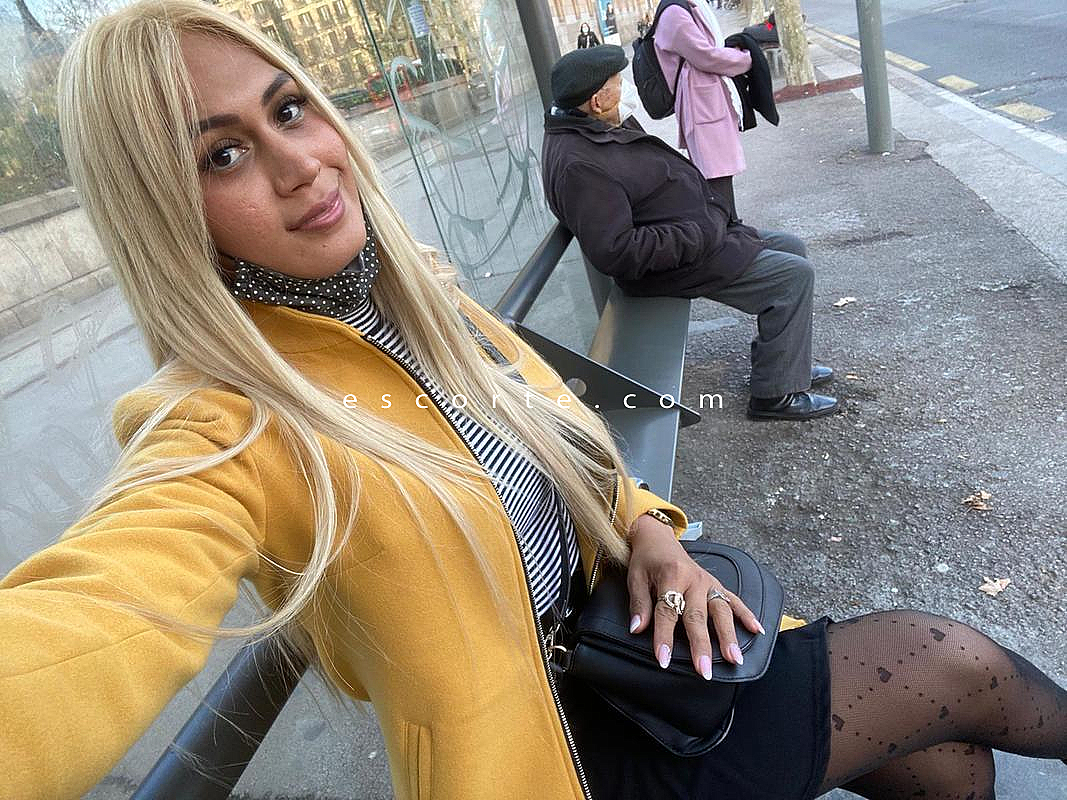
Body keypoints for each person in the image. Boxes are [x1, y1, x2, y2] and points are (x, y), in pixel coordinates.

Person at [2, 3, 1064, 800]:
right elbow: (83, 625)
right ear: (163, 209)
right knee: (949, 663)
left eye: (289, 109)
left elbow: (570, 439)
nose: (300, 165)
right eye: (223, 153)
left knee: (948, 763)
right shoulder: (221, 423)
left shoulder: (417, 298)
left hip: (633, 655)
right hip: (554, 760)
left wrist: (650, 530)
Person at [542, 46, 837, 420]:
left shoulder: (595, 126)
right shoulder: (580, 164)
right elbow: (616, 251)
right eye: (619, 83)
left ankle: (783, 363)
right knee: (793, 277)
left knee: (791, 247)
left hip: (696, 237)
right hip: (677, 262)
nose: (627, 88)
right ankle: (774, 396)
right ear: (597, 101)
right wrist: (698, 233)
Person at [656, 0, 751, 220]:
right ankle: (728, 230)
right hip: (701, 105)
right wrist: (744, 59)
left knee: (720, 174)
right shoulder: (674, 13)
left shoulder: (688, 6)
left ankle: (730, 226)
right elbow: (705, 56)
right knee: (716, 176)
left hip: (706, 101)